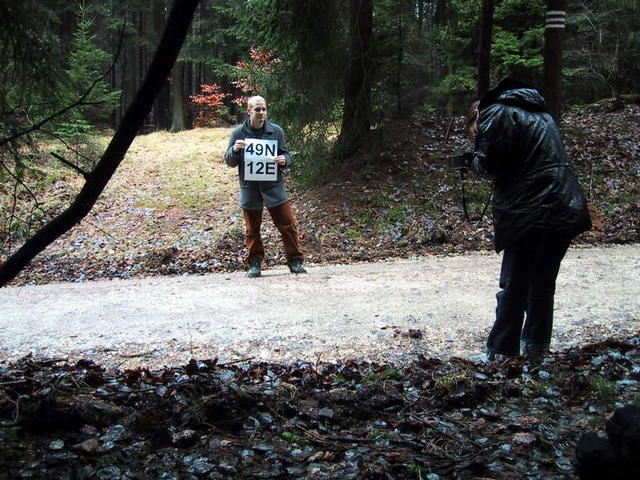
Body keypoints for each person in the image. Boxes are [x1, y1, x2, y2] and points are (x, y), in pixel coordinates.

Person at [465, 78, 591, 361]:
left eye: (474, 131)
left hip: (533, 209)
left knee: (515, 282)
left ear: (477, 116)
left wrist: (473, 159)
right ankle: (536, 349)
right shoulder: (540, 113)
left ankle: (501, 352)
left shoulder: (496, 112)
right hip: (565, 204)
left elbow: (492, 163)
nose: (476, 135)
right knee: (542, 281)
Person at [224, 95, 306, 278]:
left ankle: (295, 261)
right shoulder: (238, 133)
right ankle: (255, 263)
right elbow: (229, 161)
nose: (261, 113)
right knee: (252, 230)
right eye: (257, 109)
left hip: (274, 187)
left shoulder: (276, 131)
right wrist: (235, 150)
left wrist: (284, 160)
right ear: (249, 111)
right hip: (250, 189)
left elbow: (286, 155)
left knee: (288, 225)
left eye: (264, 109)